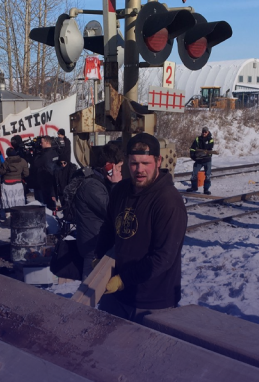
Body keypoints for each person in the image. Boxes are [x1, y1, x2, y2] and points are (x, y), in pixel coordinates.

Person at [94, 133, 188, 322]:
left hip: (152, 300)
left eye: (146, 163)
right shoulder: (120, 191)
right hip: (116, 295)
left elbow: (164, 257)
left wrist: (123, 280)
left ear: (158, 160)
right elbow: (108, 228)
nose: (140, 169)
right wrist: (99, 257)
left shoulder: (168, 201)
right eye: (134, 163)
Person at [72, 142, 124, 280]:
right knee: (89, 290)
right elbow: (112, 209)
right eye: (118, 168)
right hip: (93, 247)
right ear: (109, 167)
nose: (120, 172)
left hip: (100, 243)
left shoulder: (100, 182)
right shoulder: (92, 187)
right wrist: (115, 185)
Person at [32, 136, 59, 210]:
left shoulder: (45, 155)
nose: (40, 144)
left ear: (47, 142)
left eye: (42, 142)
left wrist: (36, 153)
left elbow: (36, 164)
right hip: (52, 181)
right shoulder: (54, 152)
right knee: (51, 204)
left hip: (44, 182)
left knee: (43, 205)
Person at [0, 147, 29, 212]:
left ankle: (8, 216)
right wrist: (20, 177)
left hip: (6, 183)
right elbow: (26, 173)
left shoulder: (6, 162)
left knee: (8, 201)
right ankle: (19, 215)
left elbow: (1, 172)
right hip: (18, 183)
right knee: (18, 201)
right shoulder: (22, 161)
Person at [187, 127, 214, 195]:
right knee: (194, 174)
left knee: (207, 175)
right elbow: (193, 148)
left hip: (207, 160)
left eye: (205, 132)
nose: (204, 133)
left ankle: (206, 189)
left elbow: (209, 147)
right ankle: (194, 187)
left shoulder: (210, 139)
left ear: (208, 132)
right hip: (199, 160)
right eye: (203, 132)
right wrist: (192, 155)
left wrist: (204, 143)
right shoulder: (197, 139)